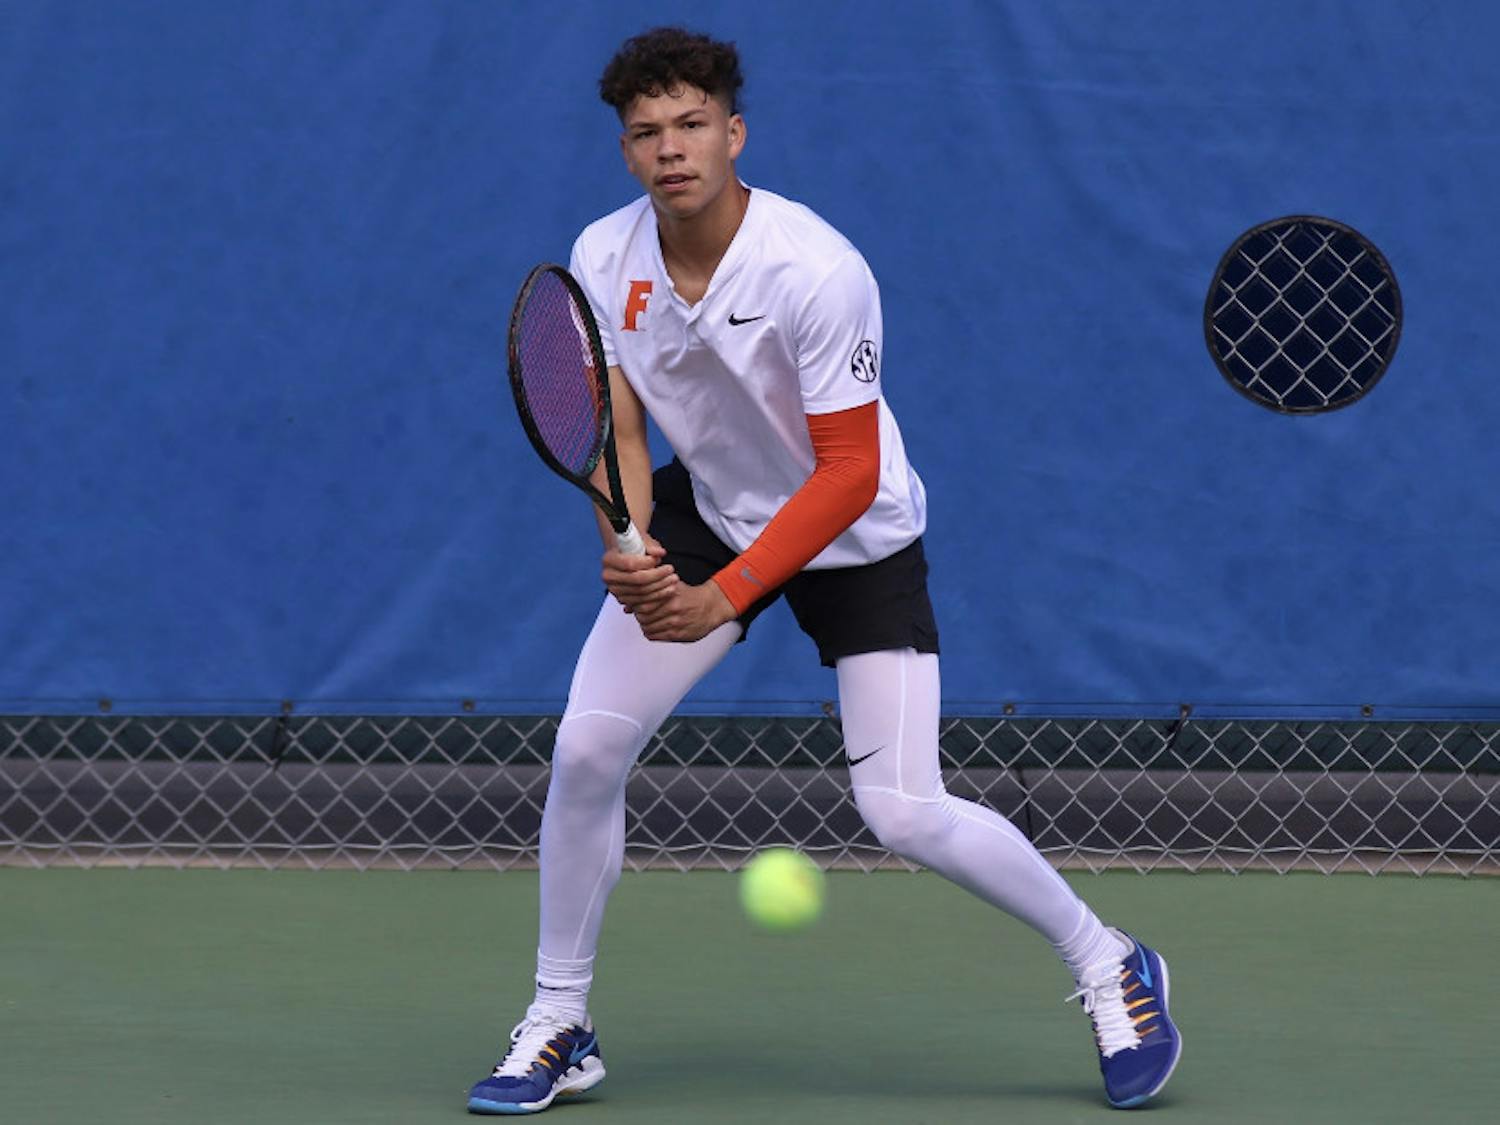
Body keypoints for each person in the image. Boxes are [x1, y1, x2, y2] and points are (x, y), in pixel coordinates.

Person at [469, 26, 1180, 1115]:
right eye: (646, 133)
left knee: (902, 810)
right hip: (711, 507)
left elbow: (846, 473)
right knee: (586, 748)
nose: (671, 150)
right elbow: (615, 422)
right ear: (625, 152)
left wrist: (725, 594)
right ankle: (560, 1019)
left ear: (734, 133)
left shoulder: (815, 268)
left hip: (857, 536)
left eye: (693, 125)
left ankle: (1108, 962)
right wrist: (632, 539)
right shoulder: (607, 258)